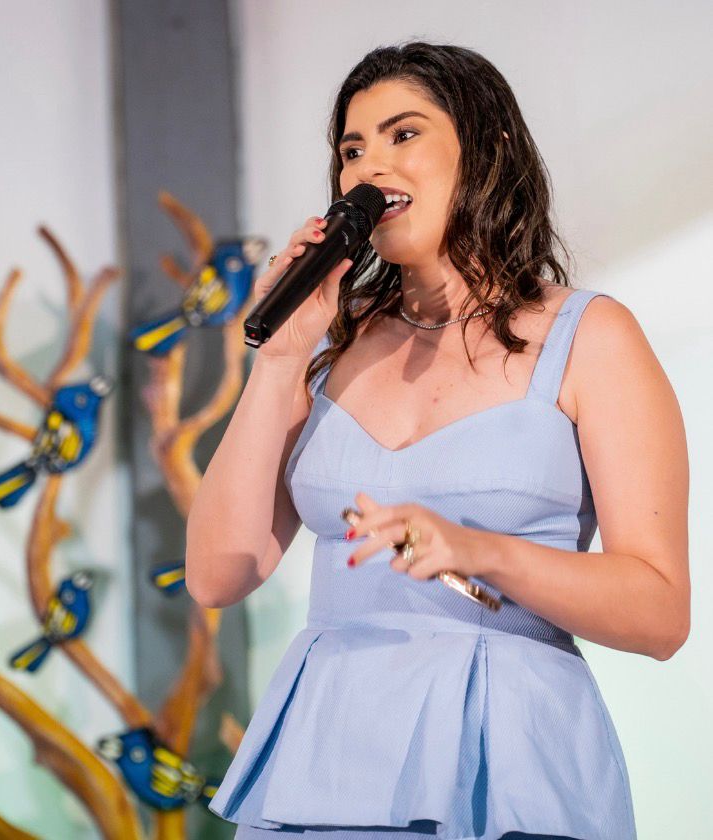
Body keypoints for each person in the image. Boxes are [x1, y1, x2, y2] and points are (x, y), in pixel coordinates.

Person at [187, 41, 690, 840]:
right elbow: (218, 574)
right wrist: (279, 364)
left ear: (486, 152)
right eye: (352, 150)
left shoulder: (589, 337)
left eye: (403, 134)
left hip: (506, 756)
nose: (369, 166)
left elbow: (659, 614)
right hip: (326, 754)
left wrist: (477, 549)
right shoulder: (328, 346)